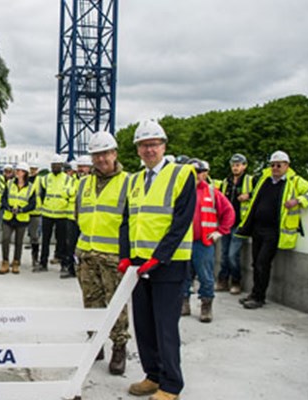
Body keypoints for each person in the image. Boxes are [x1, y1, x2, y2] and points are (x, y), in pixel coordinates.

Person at [118, 119, 196, 400]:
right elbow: (127, 220)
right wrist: (126, 255)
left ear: (163, 146)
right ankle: (152, 375)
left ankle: (171, 385)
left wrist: (160, 257)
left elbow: (181, 222)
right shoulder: (135, 180)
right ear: (137, 150)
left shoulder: (182, 174)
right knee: (144, 325)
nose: (149, 150)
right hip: (139, 263)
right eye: (143, 145)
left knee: (165, 326)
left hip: (170, 264)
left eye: (153, 144)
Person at [236, 150, 308, 310]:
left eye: (278, 165)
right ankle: (255, 293)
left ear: (286, 166)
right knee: (256, 263)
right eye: (272, 165)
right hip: (257, 228)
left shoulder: (294, 181)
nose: (275, 168)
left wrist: (298, 200)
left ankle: (259, 298)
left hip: (274, 231)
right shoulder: (265, 179)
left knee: (263, 263)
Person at [74, 131, 130, 375]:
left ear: (114, 154)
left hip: (114, 256)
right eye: (96, 155)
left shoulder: (129, 182)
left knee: (116, 305)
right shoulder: (84, 182)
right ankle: (95, 343)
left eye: (105, 153)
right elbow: (79, 214)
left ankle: (119, 347)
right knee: (91, 301)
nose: (100, 159)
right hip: (87, 253)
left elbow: (131, 220)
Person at [181, 159, 234, 323]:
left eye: (199, 172)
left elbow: (229, 212)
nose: (196, 175)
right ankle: (184, 302)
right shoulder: (180, 190)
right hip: (183, 242)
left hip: (203, 243)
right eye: (193, 172)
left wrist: (221, 231)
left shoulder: (211, 192)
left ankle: (206, 304)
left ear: (205, 173)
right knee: (183, 275)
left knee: (205, 276)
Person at [215, 153, 255, 295]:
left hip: (240, 223)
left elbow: (260, 193)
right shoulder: (227, 181)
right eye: (233, 165)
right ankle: (223, 280)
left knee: (233, 255)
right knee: (225, 254)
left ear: (244, 166)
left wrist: (248, 195)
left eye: (238, 165)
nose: (235, 168)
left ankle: (236, 281)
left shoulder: (250, 180)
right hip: (226, 223)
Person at [36, 154, 74, 274]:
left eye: (57, 165)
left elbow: (71, 195)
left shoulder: (68, 179)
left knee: (62, 241)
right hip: (47, 214)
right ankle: (43, 263)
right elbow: (41, 193)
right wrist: (42, 206)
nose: (55, 167)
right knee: (45, 241)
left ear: (61, 165)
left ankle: (63, 264)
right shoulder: (46, 178)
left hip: (62, 215)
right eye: (53, 165)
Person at [0, 163, 36, 274]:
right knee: (5, 239)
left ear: (25, 173)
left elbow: (32, 204)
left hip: (22, 218)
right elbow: (4, 198)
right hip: (8, 217)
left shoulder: (31, 187)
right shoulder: (9, 184)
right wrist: (8, 207)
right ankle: (5, 262)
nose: (18, 172)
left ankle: (16, 262)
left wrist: (22, 210)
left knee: (18, 242)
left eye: (20, 171)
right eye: (17, 170)